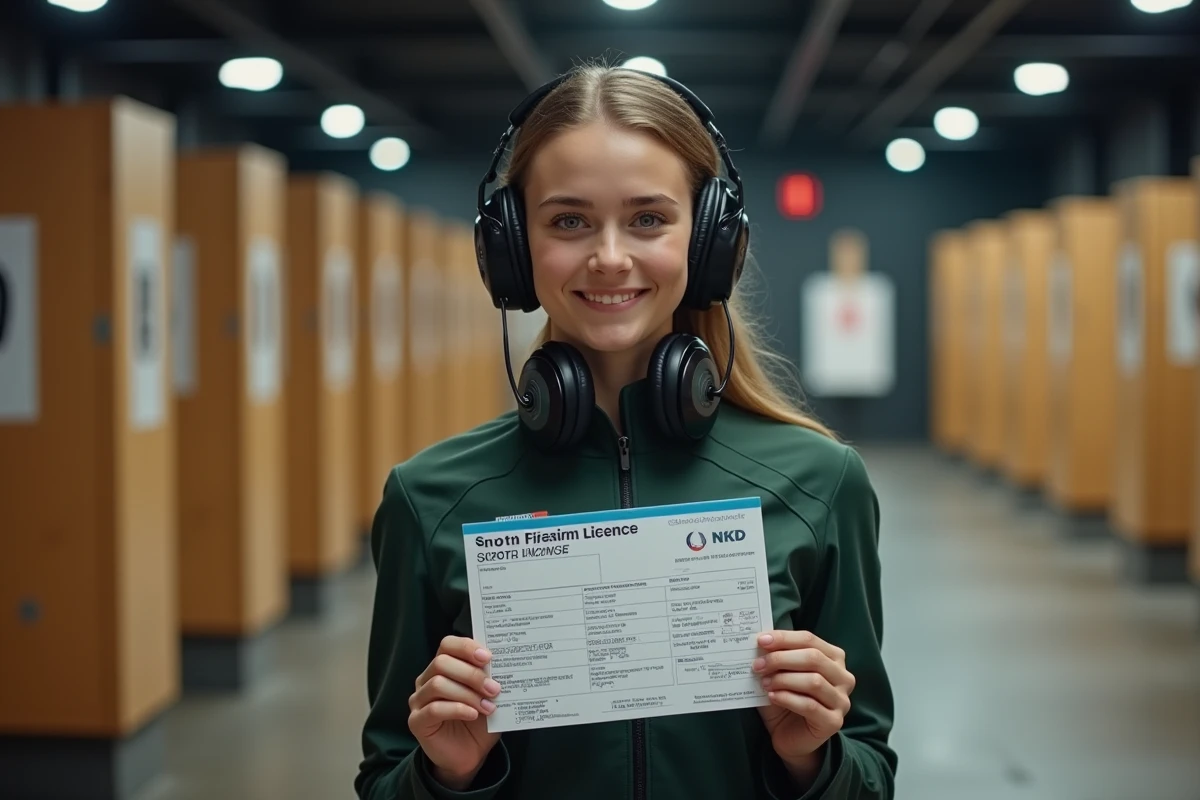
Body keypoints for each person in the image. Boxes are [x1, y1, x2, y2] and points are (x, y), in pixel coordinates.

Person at [355, 63, 897, 800]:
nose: (609, 257)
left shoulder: (821, 483)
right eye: (568, 221)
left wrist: (811, 761)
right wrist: (446, 773)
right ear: (510, 250)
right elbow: (384, 780)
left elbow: (870, 774)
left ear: (709, 243)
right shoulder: (430, 499)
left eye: (647, 219)